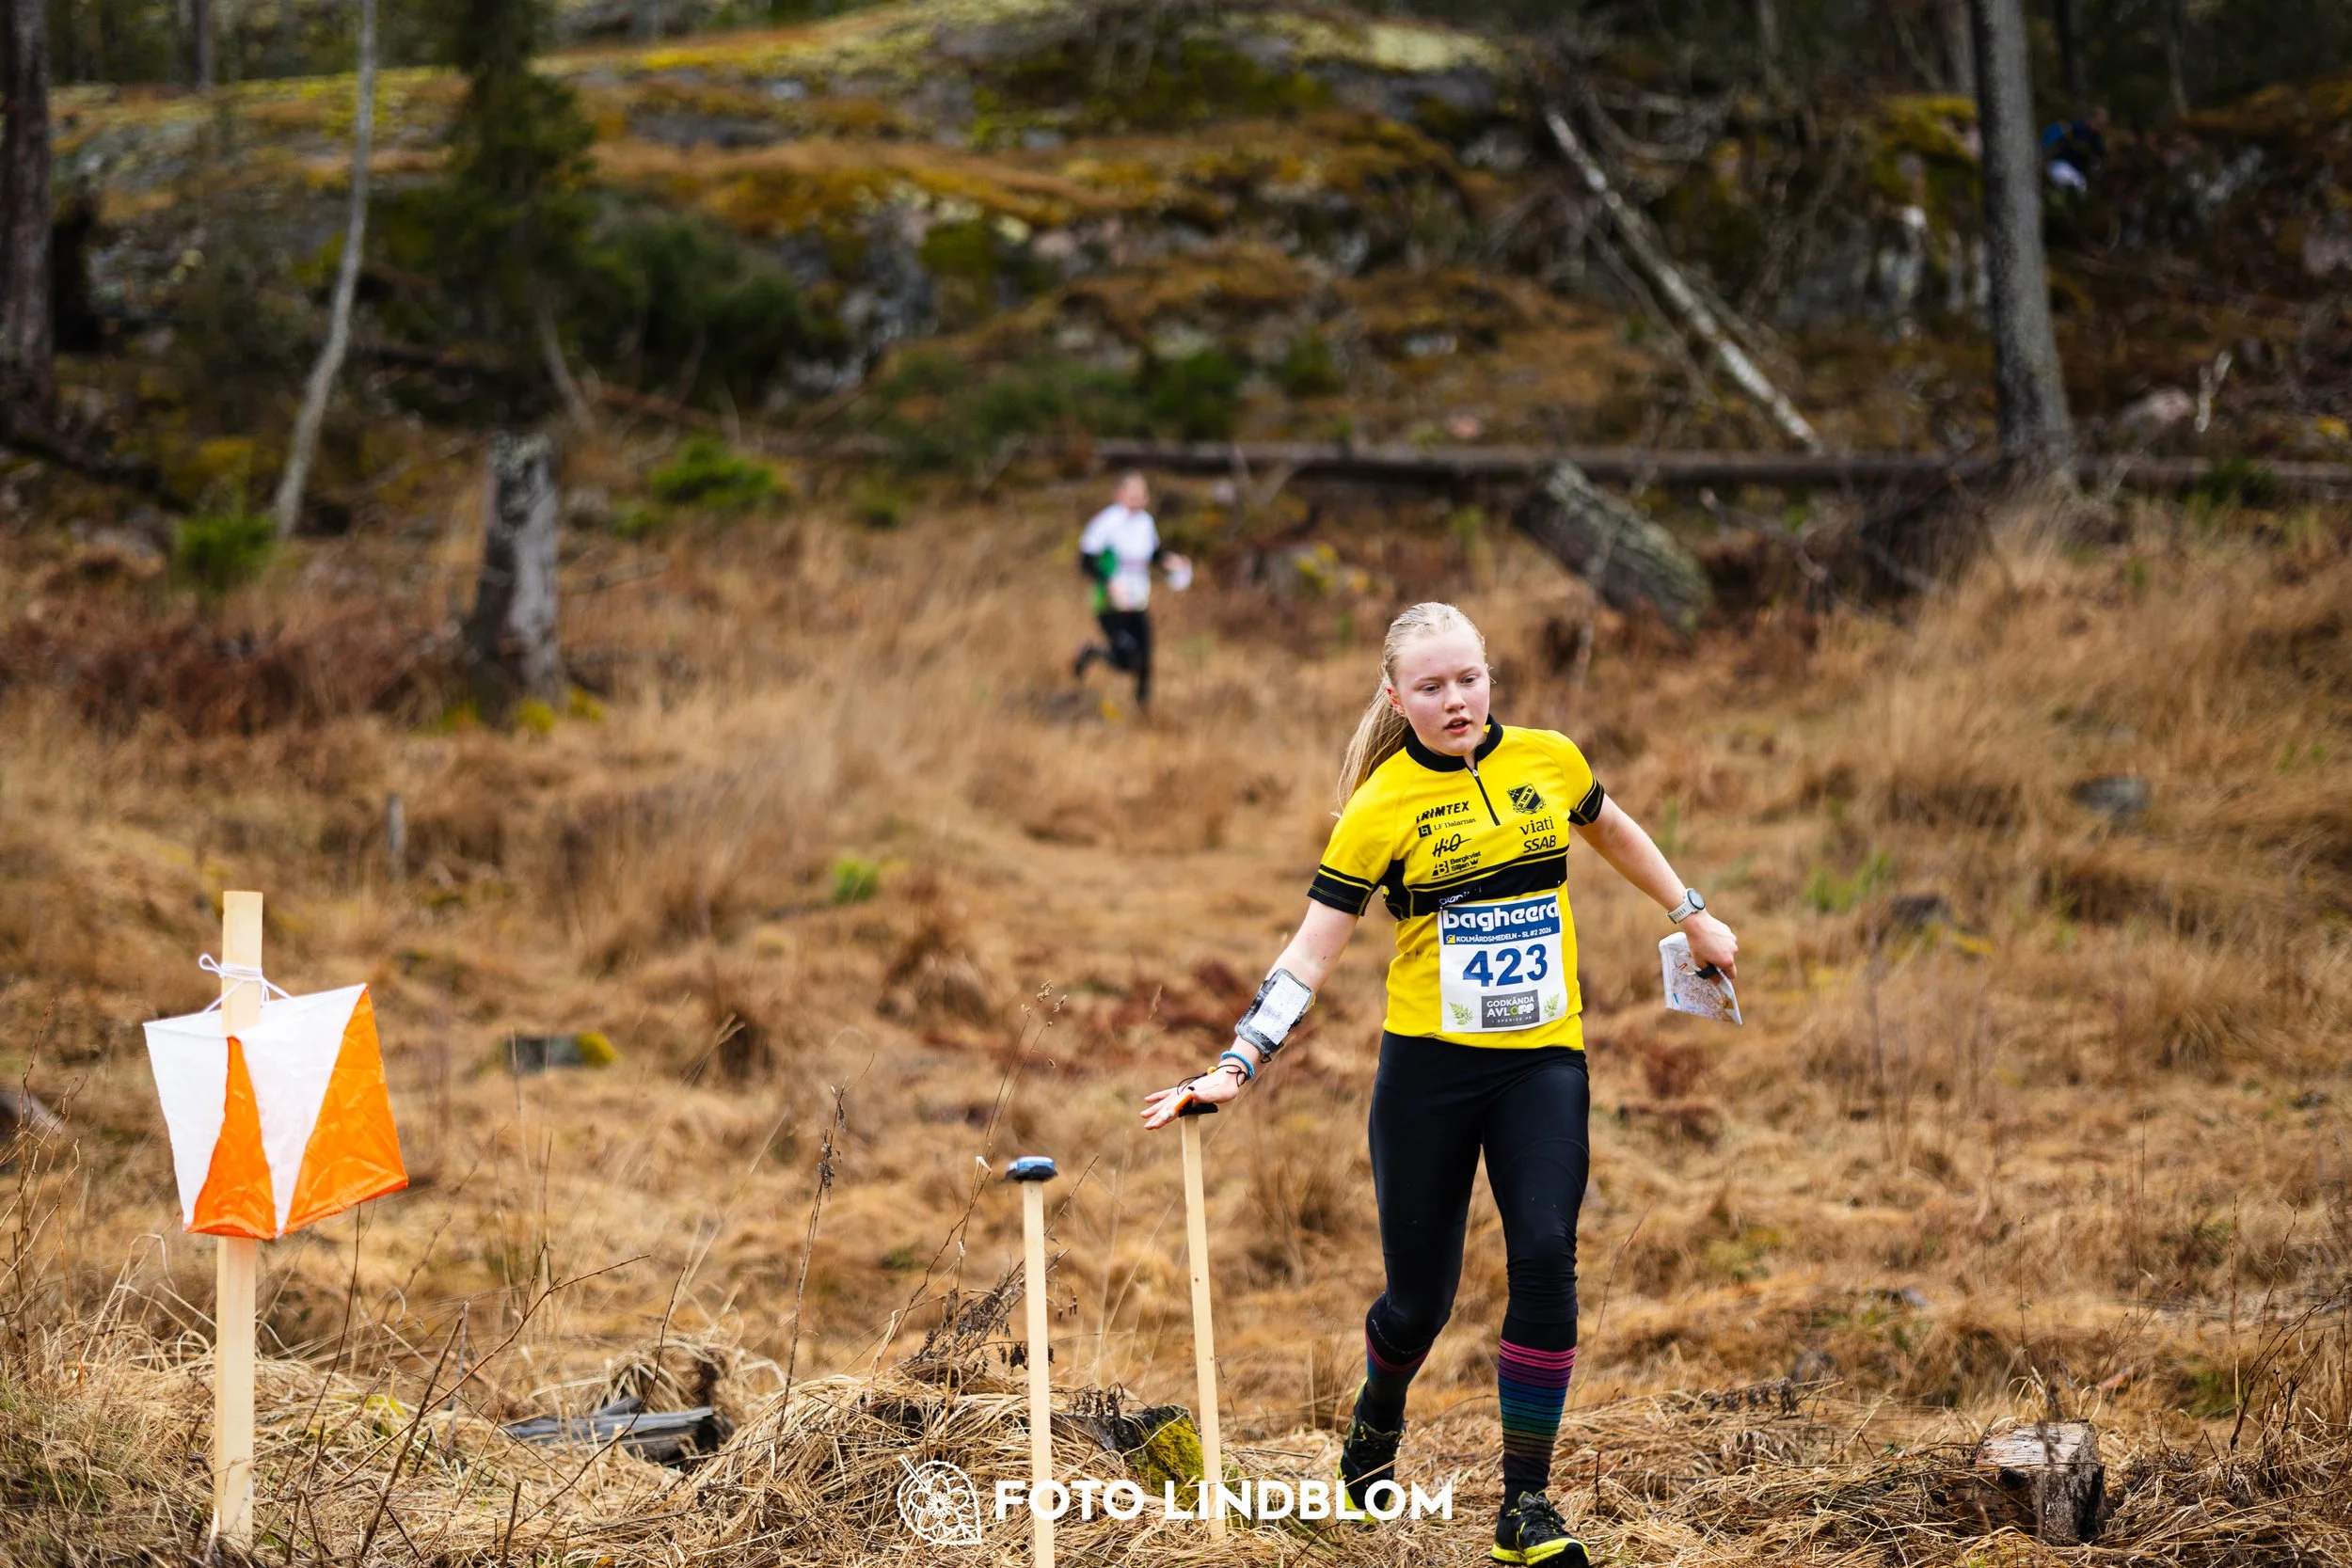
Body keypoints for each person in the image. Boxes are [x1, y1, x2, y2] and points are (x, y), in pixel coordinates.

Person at [1140, 603, 1740, 1567]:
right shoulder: (1380, 806)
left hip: (1543, 1058)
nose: (1453, 699)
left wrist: (1691, 912)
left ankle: (1524, 1506)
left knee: (1545, 1250)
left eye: (1467, 678)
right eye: (1430, 686)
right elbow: (1309, 954)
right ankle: (1376, 1420)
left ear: (1489, 677)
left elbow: (1616, 829)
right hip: (1428, 1073)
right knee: (1418, 1302)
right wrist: (1236, 1061)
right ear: (1395, 697)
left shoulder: (1548, 758)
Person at [1073, 472, 1190, 708]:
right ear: (1119, 495)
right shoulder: (1105, 523)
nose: (1138, 499)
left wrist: (1171, 561)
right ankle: (1092, 652)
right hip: (1109, 602)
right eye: (1132, 494)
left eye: (1142, 495)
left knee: (1146, 656)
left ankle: (1143, 708)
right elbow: (1086, 561)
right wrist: (1108, 583)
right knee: (1128, 657)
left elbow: (1153, 553)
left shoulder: (1146, 522)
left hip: (1137, 600)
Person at [2042, 107, 2108, 193]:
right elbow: (2050, 137)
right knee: (2066, 180)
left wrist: (2095, 167)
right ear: (2091, 118)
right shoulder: (2075, 127)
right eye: (2098, 122)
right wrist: (2044, 155)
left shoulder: (2097, 142)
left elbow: (2098, 164)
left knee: (2080, 188)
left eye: (2102, 124)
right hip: (2059, 164)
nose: (2099, 126)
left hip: (2077, 173)